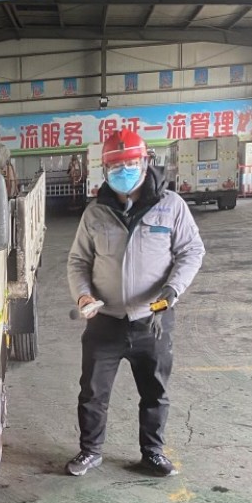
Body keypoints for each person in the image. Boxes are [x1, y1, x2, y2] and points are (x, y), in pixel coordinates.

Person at [65, 127, 205, 477]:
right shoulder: (95, 212)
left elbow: (191, 251)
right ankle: (90, 451)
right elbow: (78, 261)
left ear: (145, 162)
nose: (123, 172)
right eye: (115, 166)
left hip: (152, 319)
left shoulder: (170, 206)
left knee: (155, 391)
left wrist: (172, 290)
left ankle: (152, 453)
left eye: (130, 164)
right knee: (92, 393)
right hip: (105, 320)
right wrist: (83, 294)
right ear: (104, 170)